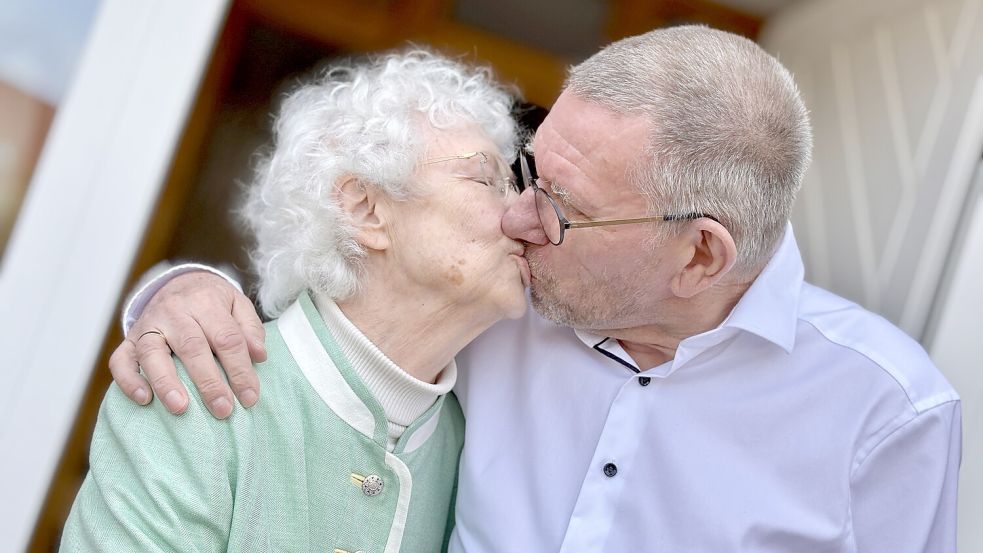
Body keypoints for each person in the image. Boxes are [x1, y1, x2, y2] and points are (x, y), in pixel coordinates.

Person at [109, 26, 962, 552]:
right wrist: (176, 290)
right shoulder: (507, 300)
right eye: (525, 172)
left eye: (564, 206)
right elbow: (348, 317)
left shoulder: (888, 415)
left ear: (700, 255)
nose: (520, 217)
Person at [62, 49, 528, 552]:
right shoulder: (193, 395)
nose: (525, 214)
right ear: (365, 209)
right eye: (487, 181)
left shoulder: (475, 451)